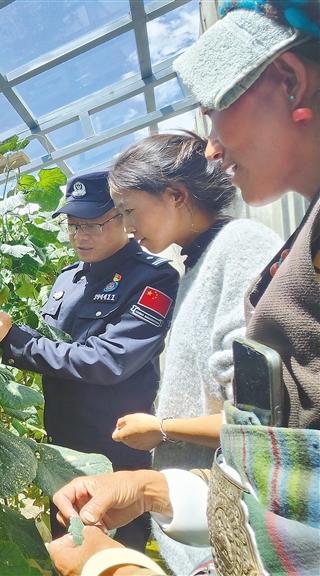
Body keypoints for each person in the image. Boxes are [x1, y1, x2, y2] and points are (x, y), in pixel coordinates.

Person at [47, 2, 320, 575]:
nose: (212, 149)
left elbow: (268, 430)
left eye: (215, 116)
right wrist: (155, 490)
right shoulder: (196, 265)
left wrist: (110, 565)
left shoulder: (241, 247)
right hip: (213, 524)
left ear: (291, 81)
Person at [0, 171, 180, 551]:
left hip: (116, 447)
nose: (80, 236)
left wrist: (17, 341)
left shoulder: (152, 278)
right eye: (73, 226)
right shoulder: (68, 279)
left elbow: (108, 360)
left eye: (92, 225)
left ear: (123, 218)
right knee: (68, 547)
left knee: (113, 554)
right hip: (62, 445)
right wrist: (5, 331)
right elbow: (52, 342)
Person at [108, 132, 282, 573]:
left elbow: (259, 419)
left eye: (129, 210)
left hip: (237, 530)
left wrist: (162, 428)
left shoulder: (241, 247)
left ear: (175, 195)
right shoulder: (196, 263)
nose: (127, 227)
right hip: (204, 521)